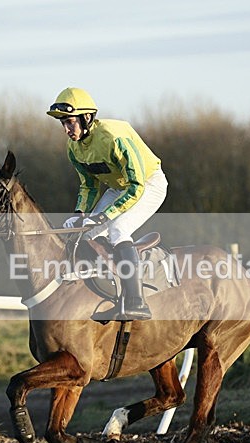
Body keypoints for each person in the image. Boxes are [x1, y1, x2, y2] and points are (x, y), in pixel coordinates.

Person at [47, 87, 168, 321]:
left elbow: (136, 186)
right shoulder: (73, 148)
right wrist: (81, 214)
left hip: (148, 184)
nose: (66, 129)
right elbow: (89, 186)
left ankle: (136, 301)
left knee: (118, 229)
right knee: (88, 232)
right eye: (63, 124)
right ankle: (107, 293)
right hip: (119, 187)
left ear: (86, 117)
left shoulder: (114, 137)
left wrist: (105, 215)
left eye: (70, 122)